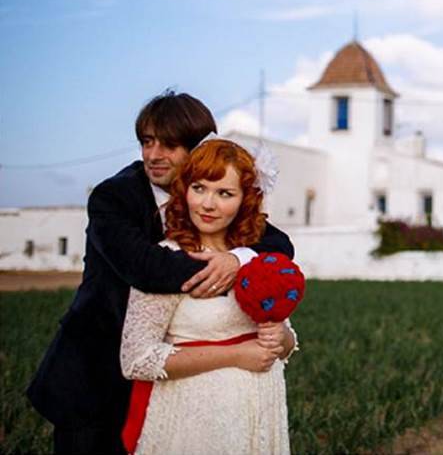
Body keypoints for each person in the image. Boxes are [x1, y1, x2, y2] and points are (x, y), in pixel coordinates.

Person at [27, 91, 295, 455]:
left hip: (173, 390)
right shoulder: (113, 197)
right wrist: (223, 263)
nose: (154, 155)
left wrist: (238, 258)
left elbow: (280, 247)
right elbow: (148, 268)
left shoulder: (213, 200)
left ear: (200, 147)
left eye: (169, 144)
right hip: (94, 374)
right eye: (147, 141)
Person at [120, 138, 296, 455]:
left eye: (224, 193)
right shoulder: (166, 261)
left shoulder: (255, 259)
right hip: (193, 420)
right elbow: (137, 360)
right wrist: (235, 355)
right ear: (184, 189)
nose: (207, 204)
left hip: (258, 412)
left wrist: (280, 336)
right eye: (199, 188)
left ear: (245, 200)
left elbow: (287, 342)